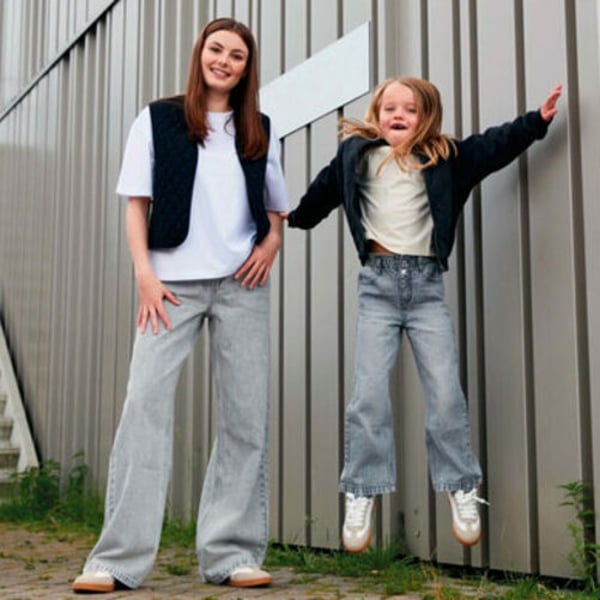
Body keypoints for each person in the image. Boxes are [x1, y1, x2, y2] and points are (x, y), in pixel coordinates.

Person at [285, 77, 562, 552]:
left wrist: (535, 122)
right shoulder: (356, 156)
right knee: (368, 397)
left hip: (426, 291)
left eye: (409, 110)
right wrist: (291, 219)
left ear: (425, 117)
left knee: (446, 395)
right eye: (389, 108)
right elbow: (320, 195)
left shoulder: (446, 157)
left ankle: (460, 487)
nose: (398, 115)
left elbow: (494, 145)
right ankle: (362, 491)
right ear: (377, 114)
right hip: (377, 289)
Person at [72, 18, 289, 593]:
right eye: (216, 49)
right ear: (200, 54)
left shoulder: (260, 128)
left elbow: (276, 208)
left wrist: (271, 243)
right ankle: (115, 560)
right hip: (169, 287)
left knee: (245, 418)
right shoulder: (158, 119)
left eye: (237, 55)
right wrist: (144, 276)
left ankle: (232, 554)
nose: (224, 61)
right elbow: (135, 204)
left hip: (241, 286)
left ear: (247, 68)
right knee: (143, 409)